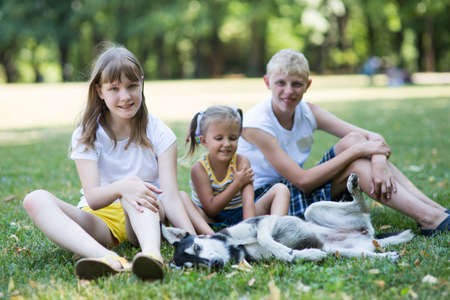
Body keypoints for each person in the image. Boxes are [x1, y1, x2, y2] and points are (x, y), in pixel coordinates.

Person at [23, 45, 196, 280]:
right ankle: (107, 258)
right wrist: (121, 187)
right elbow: (93, 199)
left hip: (144, 217)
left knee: (134, 187)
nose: (125, 96)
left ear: (142, 84)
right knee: (34, 199)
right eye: (114, 88)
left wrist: (193, 241)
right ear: (100, 91)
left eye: (132, 86)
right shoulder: (88, 133)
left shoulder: (159, 133)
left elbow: (172, 198)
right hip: (101, 223)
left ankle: (152, 256)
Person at [237, 48, 449, 236]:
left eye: (297, 84)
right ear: (267, 82)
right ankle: (429, 218)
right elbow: (303, 181)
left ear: (307, 85)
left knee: (355, 140)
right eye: (280, 83)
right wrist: (359, 151)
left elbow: (373, 139)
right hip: (267, 201)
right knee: (355, 162)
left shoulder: (308, 112)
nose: (289, 91)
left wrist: (378, 161)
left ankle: (436, 211)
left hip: (290, 188)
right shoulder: (256, 124)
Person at [180, 105, 290, 234]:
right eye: (219, 138)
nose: (227, 144)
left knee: (280, 189)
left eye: (232, 138)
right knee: (181, 197)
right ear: (204, 141)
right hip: (210, 221)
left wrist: (249, 231)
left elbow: (248, 201)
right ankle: (212, 237)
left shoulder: (242, 162)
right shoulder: (199, 169)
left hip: (240, 217)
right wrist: (236, 184)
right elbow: (211, 209)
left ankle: (274, 234)